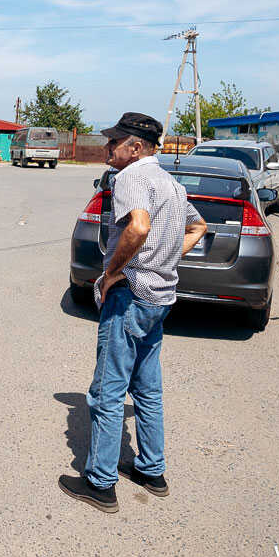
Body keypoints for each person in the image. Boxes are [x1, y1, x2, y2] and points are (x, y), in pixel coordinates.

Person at [58, 112, 207, 513]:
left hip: (130, 295)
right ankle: (151, 470)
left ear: (135, 147)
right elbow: (199, 228)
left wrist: (112, 273)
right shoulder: (171, 184)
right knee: (147, 390)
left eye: (113, 143)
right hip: (159, 298)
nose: (107, 149)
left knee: (107, 392)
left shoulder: (132, 178)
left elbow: (138, 228)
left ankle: (100, 483)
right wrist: (166, 260)